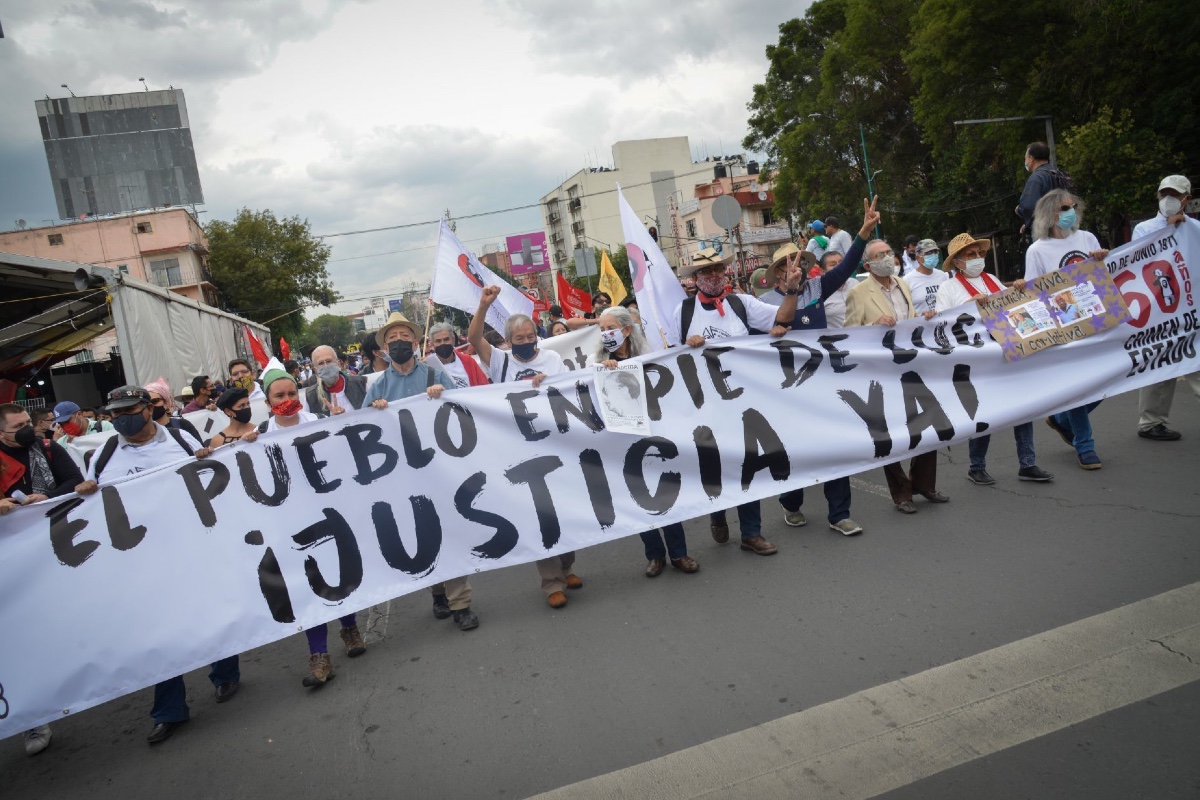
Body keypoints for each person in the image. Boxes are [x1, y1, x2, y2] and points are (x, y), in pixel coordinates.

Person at [73, 386, 237, 744]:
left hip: (192, 546)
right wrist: (85, 489)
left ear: (148, 409)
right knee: (159, 632)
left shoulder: (179, 438)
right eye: (114, 414)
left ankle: (225, 673)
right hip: (142, 559)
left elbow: (207, 470)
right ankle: (169, 710)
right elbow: (95, 504)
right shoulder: (102, 456)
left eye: (128, 410)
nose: (121, 419)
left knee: (209, 613)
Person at [675, 244, 807, 555]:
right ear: (695, 278)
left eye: (719, 269)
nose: (714, 275)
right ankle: (718, 513)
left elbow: (783, 318)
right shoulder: (681, 312)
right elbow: (663, 353)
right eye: (707, 271)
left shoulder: (741, 304)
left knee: (748, 462)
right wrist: (685, 345)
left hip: (743, 402)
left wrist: (791, 291)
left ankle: (751, 532)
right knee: (714, 465)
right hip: (703, 405)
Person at [762, 200, 881, 534]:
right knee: (794, 451)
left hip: (825, 383)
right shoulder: (764, 304)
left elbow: (844, 269)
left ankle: (839, 515)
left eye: (798, 261)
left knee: (836, 447)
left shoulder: (816, 287)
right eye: (786, 265)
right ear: (777, 274)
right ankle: (791, 502)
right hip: (786, 390)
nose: (794, 268)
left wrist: (864, 231)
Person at [469, 289, 586, 607]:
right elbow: (474, 337)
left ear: (537, 335)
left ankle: (567, 567)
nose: (525, 341)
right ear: (508, 341)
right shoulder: (499, 361)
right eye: (518, 337)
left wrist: (549, 384)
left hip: (555, 446)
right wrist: (483, 306)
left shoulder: (552, 359)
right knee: (540, 513)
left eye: (530, 335)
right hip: (520, 450)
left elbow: (568, 395)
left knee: (563, 509)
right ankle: (551, 584)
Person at [365, 312, 482, 629]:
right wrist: (373, 413)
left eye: (404, 336)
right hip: (403, 475)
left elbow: (460, 410)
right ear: (385, 347)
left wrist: (441, 395)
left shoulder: (435, 375)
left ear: (415, 342)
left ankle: (461, 603)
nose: (399, 342)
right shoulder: (378, 387)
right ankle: (438, 591)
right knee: (425, 534)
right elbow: (360, 432)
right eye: (392, 338)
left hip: (439, 469)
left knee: (451, 531)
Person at [935, 233, 1056, 484]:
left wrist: (1019, 289)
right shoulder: (948, 288)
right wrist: (969, 305)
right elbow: (941, 322)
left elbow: (1012, 307)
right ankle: (976, 466)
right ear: (957, 262)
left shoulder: (991, 279)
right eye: (970, 255)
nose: (977, 258)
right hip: (977, 361)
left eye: (979, 253)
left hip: (1007, 352)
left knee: (1023, 409)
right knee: (984, 413)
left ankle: (1028, 463)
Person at [845, 237, 949, 514]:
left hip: (911, 363)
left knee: (928, 421)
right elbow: (848, 334)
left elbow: (910, 320)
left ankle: (924, 484)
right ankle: (901, 493)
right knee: (889, 433)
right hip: (881, 372)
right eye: (880, 254)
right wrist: (872, 325)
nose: (887, 257)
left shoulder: (902, 284)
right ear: (868, 264)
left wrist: (924, 318)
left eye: (889, 252)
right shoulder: (859, 292)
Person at [595, 306, 700, 576]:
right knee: (638, 495)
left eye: (610, 328)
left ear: (627, 330)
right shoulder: (597, 364)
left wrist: (690, 345)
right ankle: (655, 555)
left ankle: (679, 553)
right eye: (602, 329)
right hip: (623, 440)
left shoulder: (650, 356)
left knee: (666, 492)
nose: (605, 334)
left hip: (656, 433)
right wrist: (603, 370)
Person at [1023, 190, 1110, 470]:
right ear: (1050, 214)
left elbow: (1104, 276)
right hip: (1064, 326)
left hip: (1095, 321)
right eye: (1064, 208)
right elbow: (1031, 292)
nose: (1071, 211)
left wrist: (1102, 258)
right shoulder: (1037, 250)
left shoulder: (1086, 238)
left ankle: (1061, 420)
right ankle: (1085, 447)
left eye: (1073, 206)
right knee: (1077, 387)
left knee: (1104, 383)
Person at [1131, 175, 1200, 441]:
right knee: (1159, 367)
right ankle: (1150, 423)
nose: (1168, 200)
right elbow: (1140, 262)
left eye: (1174, 194)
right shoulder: (1145, 229)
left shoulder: (1195, 230)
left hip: (1191, 312)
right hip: (1159, 313)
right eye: (1163, 194)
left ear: (1187, 199)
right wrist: (1167, 230)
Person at [305, 344, 369, 416]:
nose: (326, 366)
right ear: (315, 370)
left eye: (328, 361)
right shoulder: (311, 397)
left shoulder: (361, 383)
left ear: (338, 363)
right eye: (321, 363)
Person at [424, 322, 490, 389]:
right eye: (438, 341)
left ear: (453, 340)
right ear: (432, 344)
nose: (443, 343)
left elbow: (484, 386)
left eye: (446, 339)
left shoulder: (468, 361)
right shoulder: (427, 367)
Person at [1016, 142, 1058, 237]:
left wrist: (1019, 210)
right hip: (1064, 229)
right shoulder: (1059, 173)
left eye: (1025, 158)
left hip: (1046, 232)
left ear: (1031, 159)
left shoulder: (1037, 178)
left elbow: (1029, 206)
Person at [144, 377, 204, 444]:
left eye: (154, 401)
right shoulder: (144, 434)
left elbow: (199, 447)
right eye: (147, 404)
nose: (151, 406)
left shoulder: (183, 424)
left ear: (166, 403)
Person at [902, 238, 949, 315]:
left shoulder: (942, 275)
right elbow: (905, 310)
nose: (933, 255)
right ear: (917, 257)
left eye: (935, 251)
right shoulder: (907, 280)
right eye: (928, 253)